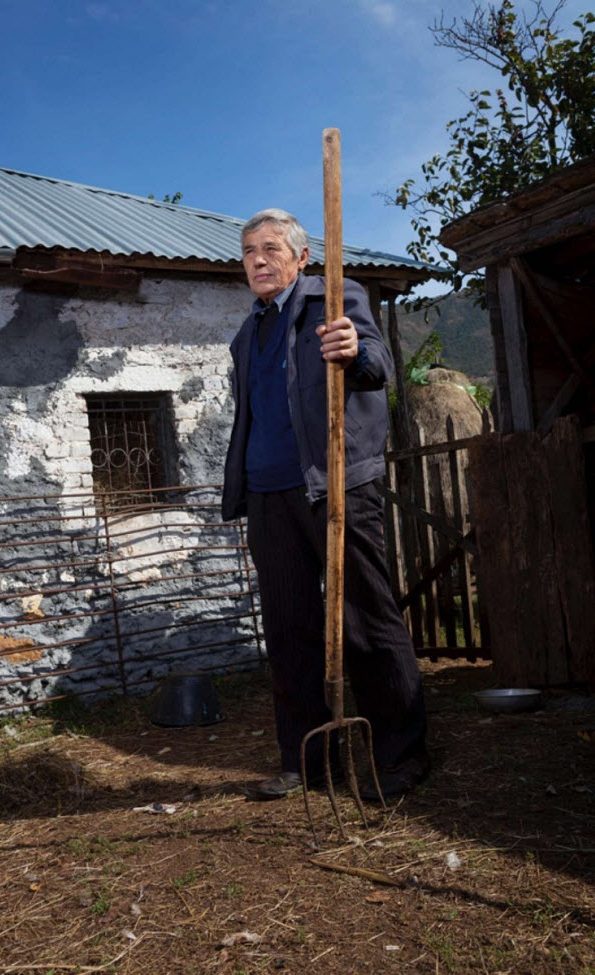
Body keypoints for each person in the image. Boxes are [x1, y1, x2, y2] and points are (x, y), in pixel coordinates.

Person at [222, 208, 428, 800]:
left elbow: (379, 368)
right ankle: (308, 760)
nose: (256, 260)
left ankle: (400, 756)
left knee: (366, 619)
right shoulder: (248, 332)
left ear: (300, 257)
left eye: (268, 249)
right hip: (267, 496)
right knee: (289, 629)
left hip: (334, 484)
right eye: (247, 252)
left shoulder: (334, 298)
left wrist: (355, 348)